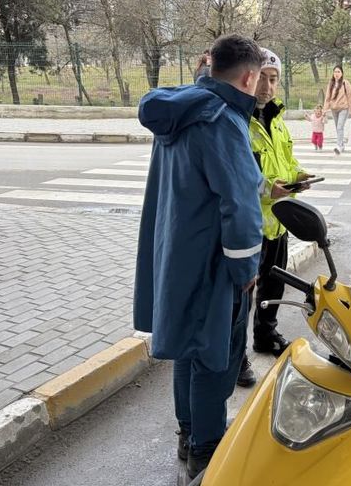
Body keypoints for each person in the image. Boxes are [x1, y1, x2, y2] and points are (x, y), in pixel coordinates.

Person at [134, 34, 265, 479]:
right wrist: (247, 270)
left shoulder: (180, 111)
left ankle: (188, 435)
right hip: (213, 263)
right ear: (248, 76)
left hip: (177, 255)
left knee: (188, 351)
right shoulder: (223, 121)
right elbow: (241, 208)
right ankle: (207, 449)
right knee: (215, 354)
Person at [238, 47, 314, 387]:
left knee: (273, 285)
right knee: (241, 299)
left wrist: (300, 176)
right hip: (251, 226)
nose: (267, 87)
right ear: (249, 78)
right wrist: (270, 189)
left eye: (273, 79)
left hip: (278, 222)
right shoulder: (240, 121)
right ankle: (236, 357)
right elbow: (239, 176)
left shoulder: (277, 120)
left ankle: (265, 336)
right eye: (262, 79)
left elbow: (286, 162)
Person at [323, 65, 351, 155]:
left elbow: (350, 97)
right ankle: (342, 144)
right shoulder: (331, 83)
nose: (336, 74)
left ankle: (339, 146)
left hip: (344, 109)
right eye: (335, 72)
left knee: (340, 127)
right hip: (334, 109)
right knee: (338, 128)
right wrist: (324, 110)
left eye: (338, 72)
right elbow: (327, 98)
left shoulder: (345, 83)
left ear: (342, 73)